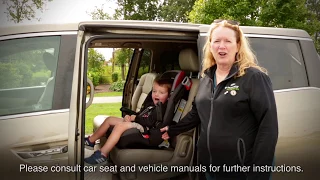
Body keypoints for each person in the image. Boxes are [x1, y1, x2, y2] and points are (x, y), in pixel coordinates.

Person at [160, 19, 278, 180]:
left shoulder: (254, 78)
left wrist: (259, 172)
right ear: (210, 45)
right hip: (209, 166)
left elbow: (268, 128)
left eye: (228, 41)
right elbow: (197, 112)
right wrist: (173, 129)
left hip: (241, 169)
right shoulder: (206, 77)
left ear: (237, 46)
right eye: (216, 41)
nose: (221, 46)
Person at [84, 76, 172, 165]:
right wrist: (131, 116)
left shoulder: (162, 109)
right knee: (109, 120)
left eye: (161, 92)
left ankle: (103, 153)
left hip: (147, 130)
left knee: (120, 126)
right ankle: (90, 141)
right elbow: (142, 114)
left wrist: (136, 118)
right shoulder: (151, 104)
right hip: (140, 122)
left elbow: (149, 121)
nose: (156, 94)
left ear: (168, 96)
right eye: (154, 91)